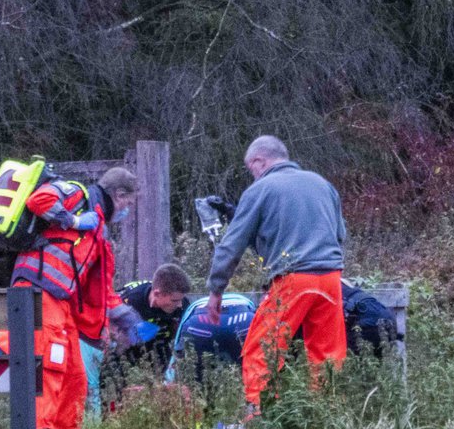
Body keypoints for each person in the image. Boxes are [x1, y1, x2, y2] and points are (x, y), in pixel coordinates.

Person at [0, 165, 138, 429]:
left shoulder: (97, 228)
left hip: (61, 303)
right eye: (128, 204)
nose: (126, 212)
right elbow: (40, 200)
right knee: (49, 373)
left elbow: (100, 290)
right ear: (119, 195)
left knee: (75, 379)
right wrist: (72, 220)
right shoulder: (79, 195)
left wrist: (125, 318)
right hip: (38, 293)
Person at [205, 135, 347, 412]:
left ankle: (260, 419)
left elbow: (231, 245)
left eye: (251, 169)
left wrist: (215, 289)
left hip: (293, 279)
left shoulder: (260, 190)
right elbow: (340, 234)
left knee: (262, 350)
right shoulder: (322, 184)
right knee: (327, 355)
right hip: (331, 278)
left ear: (259, 161)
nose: (253, 175)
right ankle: (328, 418)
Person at [105, 264, 193, 385]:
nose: (179, 305)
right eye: (175, 300)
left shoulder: (182, 305)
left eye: (181, 300)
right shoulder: (130, 302)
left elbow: (183, 341)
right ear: (157, 294)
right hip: (126, 354)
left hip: (161, 353)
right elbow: (110, 340)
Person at [167, 290, 257, 384]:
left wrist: (169, 378)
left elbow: (178, 345)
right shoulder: (247, 302)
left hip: (200, 320)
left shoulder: (190, 306)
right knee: (250, 368)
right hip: (244, 318)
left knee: (195, 372)